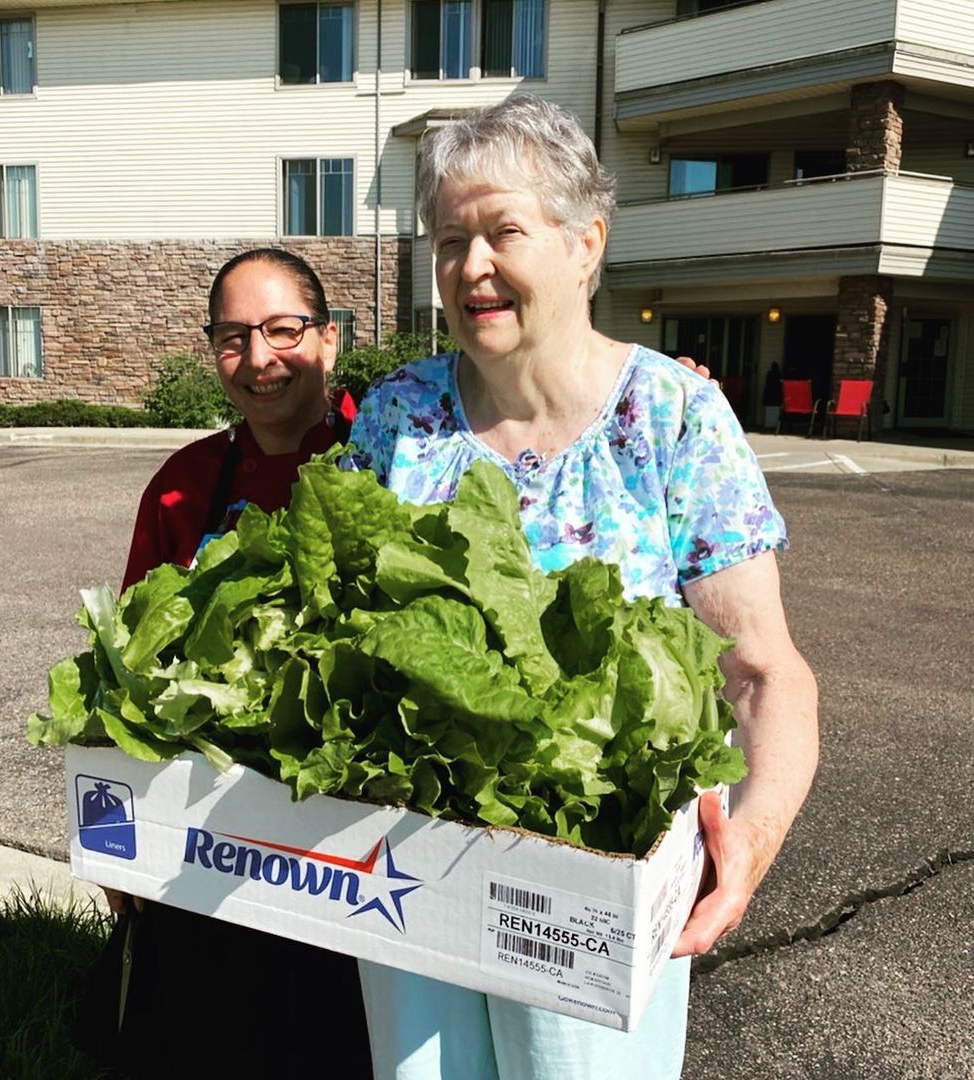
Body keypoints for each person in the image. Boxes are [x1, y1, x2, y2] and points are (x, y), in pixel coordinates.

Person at [344, 96, 819, 1080]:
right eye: (449, 240)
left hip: (594, 879)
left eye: (503, 231)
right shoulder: (398, 417)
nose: (471, 265)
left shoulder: (672, 417)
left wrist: (750, 849)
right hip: (409, 860)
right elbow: (330, 629)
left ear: (584, 243)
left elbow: (765, 673)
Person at [87, 247, 372, 1079]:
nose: (259, 361)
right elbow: (123, 674)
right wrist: (113, 843)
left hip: (353, 840)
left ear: (328, 339)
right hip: (212, 835)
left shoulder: (392, 460)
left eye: (283, 330)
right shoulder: (185, 484)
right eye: (232, 338)